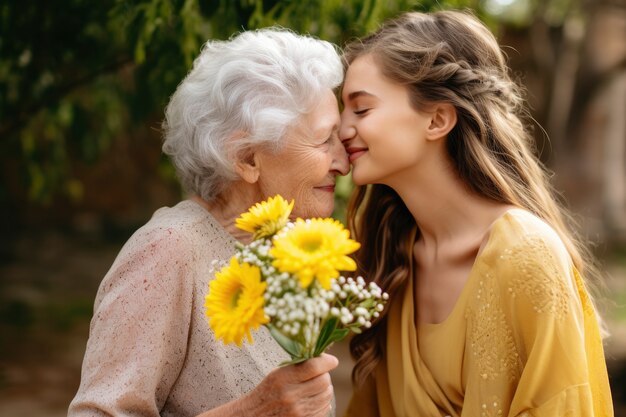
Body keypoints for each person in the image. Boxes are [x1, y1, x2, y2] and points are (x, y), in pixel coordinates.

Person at [339, 10, 613, 417]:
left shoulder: (527, 257)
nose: (341, 128)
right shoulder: (391, 257)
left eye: (360, 110)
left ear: (437, 119)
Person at [69, 27, 349, 417]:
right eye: (324, 141)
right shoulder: (168, 250)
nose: (344, 161)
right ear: (247, 159)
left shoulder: (278, 254)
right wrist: (252, 411)